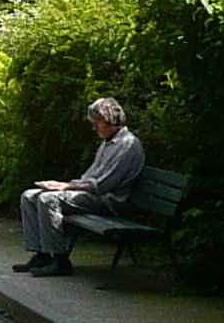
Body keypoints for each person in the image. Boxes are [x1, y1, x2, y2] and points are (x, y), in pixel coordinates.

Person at [14, 97, 144, 277]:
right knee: (29, 196)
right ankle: (42, 255)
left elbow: (102, 185)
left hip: (109, 201)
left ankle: (60, 260)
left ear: (108, 120)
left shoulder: (127, 145)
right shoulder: (108, 143)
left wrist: (66, 187)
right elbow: (89, 177)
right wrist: (64, 185)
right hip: (94, 196)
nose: (94, 128)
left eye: (96, 123)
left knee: (48, 199)